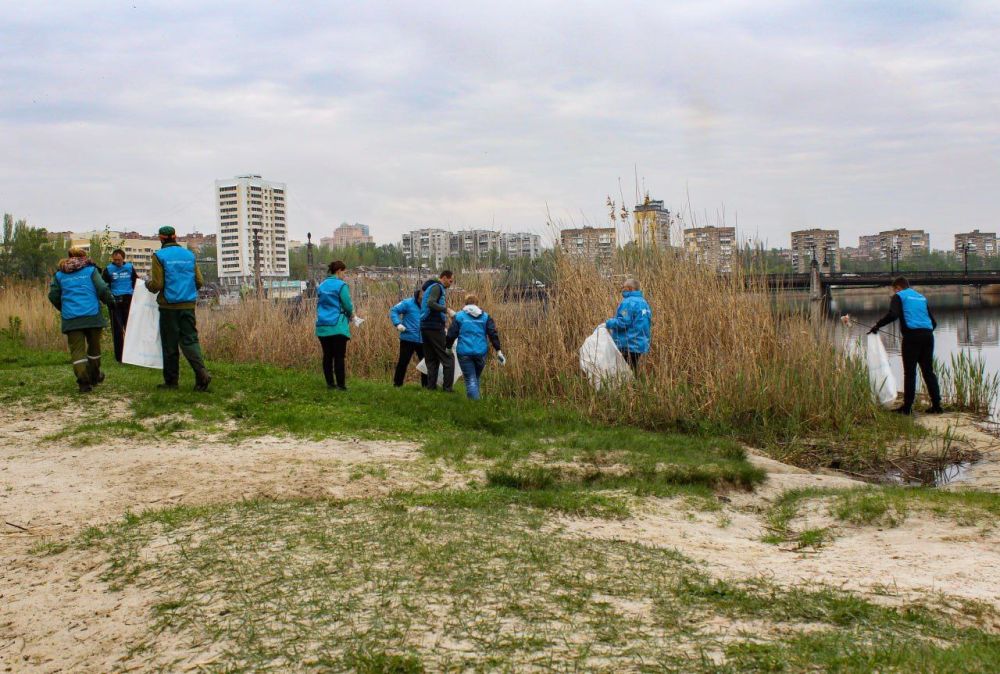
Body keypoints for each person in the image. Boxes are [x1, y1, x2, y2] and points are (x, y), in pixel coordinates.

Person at [145, 226, 212, 391]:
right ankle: (201, 373)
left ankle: (171, 382)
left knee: (170, 344)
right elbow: (199, 281)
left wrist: (147, 284)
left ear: (161, 239)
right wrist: (187, 292)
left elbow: (157, 284)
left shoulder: (159, 256)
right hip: (188, 305)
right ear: (175, 237)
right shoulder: (189, 255)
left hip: (169, 307)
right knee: (190, 340)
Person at [869, 276, 942, 415]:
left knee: (910, 373)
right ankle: (937, 406)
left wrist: (877, 325)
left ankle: (907, 408)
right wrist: (924, 332)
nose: (894, 293)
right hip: (928, 336)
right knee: (928, 371)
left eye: (894, 290)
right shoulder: (921, 297)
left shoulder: (899, 296)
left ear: (898, 288)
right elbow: (934, 323)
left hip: (911, 338)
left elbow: (893, 314)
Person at [48, 247, 114, 392]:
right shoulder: (91, 270)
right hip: (92, 316)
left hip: (71, 317)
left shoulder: (59, 275)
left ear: (69, 256)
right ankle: (95, 376)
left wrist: (63, 307)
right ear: (84, 256)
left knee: (77, 351)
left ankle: (84, 382)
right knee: (94, 348)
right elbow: (102, 289)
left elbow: (53, 295)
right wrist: (111, 301)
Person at [446, 294, 505, 400]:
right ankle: (474, 403)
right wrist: (499, 350)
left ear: (465, 303)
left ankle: (475, 405)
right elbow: (493, 334)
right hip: (480, 352)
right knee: (475, 377)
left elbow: (451, 334)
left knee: (470, 379)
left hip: (464, 352)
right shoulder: (485, 317)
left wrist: (448, 347)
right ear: (477, 303)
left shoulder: (459, 316)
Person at [316, 260, 359, 391]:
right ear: (339, 270)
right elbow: (347, 305)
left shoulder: (322, 285)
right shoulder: (341, 285)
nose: (344, 275)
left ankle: (330, 384)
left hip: (322, 325)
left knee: (327, 356)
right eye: (344, 272)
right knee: (339, 357)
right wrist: (352, 315)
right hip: (337, 326)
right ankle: (341, 385)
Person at [419, 270, 456, 391]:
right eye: (450, 281)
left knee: (431, 359)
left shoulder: (431, 287)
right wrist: (447, 310)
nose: (451, 283)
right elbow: (431, 303)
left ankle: (431, 387)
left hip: (425, 327)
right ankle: (447, 389)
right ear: (444, 278)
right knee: (448, 357)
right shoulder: (437, 287)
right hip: (434, 327)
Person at [605, 278, 652, 370]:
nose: (622, 290)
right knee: (632, 369)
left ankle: (630, 384)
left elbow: (623, 322)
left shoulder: (628, 302)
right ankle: (635, 384)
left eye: (624, 288)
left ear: (630, 289)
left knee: (625, 372)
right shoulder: (644, 303)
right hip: (640, 343)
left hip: (628, 343)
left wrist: (609, 323)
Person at [102, 248, 138, 363]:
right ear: (112, 259)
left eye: (119, 260)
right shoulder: (108, 269)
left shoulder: (129, 268)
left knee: (130, 329)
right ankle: (119, 358)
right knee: (117, 331)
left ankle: (131, 356)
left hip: (128, 301)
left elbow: (136, 282)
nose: (117, 262)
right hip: (115, 302)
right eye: (115, 260)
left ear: (123, 258)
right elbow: (104, 286)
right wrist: (107, 300)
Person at [390, 288, 427, 387]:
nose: (424, 294)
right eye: (423, 291)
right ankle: (397, 384)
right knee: (403, 362)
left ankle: (426, 386)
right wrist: (398, 324)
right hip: (408, 338)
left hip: (423, 339)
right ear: (418, 292)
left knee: (425, 363)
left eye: (427, 292)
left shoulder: (428, 305)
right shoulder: (407, 303)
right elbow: (394, 310)